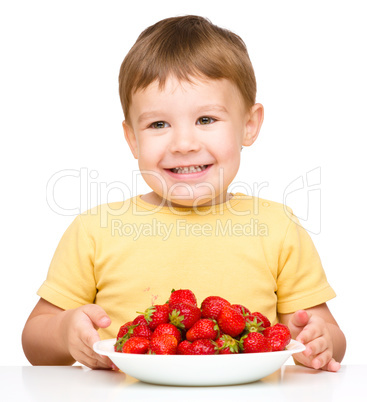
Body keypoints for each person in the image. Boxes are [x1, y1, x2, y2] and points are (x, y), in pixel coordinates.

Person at [22, 15, 346, 371]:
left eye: (206, 120)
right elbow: (35, 341)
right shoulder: (95, 230)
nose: (184, 143)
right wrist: (65, 332)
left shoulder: (277, 227)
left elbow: (327, 334)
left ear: (249, 126)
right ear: (132, 138)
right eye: (158, 124)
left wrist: (319, 339)